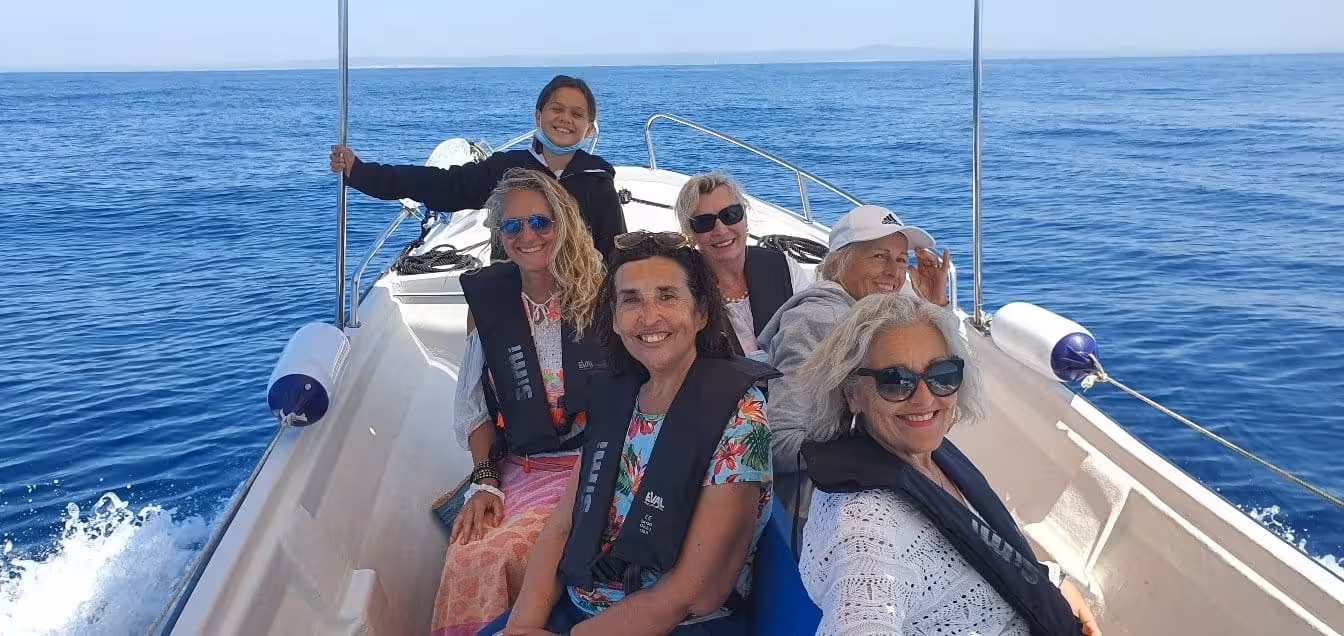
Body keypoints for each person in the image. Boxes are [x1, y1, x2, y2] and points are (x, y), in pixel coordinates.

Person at [480, 232, 779, 636]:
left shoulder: (741, 417)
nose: (649, 316)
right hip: (582, 604)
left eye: (667, 296)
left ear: (701, 313)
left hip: (679, 624)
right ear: (615, 319)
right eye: (631, 300)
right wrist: (521, 626)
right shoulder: (618, 399)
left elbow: (692, 592)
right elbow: (562, 525)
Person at [795, 293, 1103, 636]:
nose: (925, 398)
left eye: (941, 374)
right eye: (895, 381)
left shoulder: (923, 456)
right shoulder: (864, 527)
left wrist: (1052, 581)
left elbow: (981, 552)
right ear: (851, 393)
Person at [431, 169, 607, 636]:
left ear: (563, 223)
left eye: (540, 222)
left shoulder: (603, 296)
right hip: (521, 468)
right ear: (499, 235)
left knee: (516, 553)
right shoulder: (490, 307)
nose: (527, 236)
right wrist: (485, 482)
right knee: (468, 554)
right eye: (512, 225)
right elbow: (475, 407)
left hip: (595, 465)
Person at [757, 203, 950, 514]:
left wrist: (934, 305)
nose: (893, 272)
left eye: (901, 259)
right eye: (879, 257)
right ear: (840, 262)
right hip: (826, 505)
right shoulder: (818, 320)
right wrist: (878, 460)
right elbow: (780, 443)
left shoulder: (870, 316)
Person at [329, 75, 626, 259]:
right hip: (514, 290)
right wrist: (361, 172)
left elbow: (614, 251)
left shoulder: (597, 179)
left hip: (579, 298)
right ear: (538, 116)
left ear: (589, 129)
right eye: (556, 109)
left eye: (577, 114)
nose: (565, 118)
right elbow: (441, 185)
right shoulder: (507, 169)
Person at [673, 172, 810, 360]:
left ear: (744, 218)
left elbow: (811, 337)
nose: (721, 230)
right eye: (704, 222)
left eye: (730, 215)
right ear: (690, 233)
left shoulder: (785, 268)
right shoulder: (681, 288)